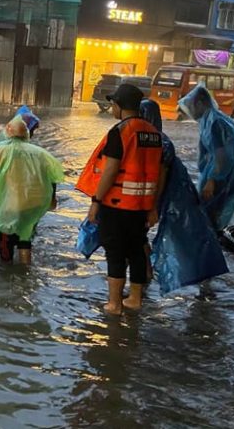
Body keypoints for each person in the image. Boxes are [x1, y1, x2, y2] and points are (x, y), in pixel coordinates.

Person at [76, 84, 162, 315]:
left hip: (116, 203)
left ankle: (114, 304)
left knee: (114, 252)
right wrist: (153, 206)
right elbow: (161, 173)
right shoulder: (154, 133)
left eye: (113, 104)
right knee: (135, 250)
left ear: (119, 106)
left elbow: (111, 169)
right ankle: (134, 299)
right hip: (142, 205)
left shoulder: (121, 131)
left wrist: (96, 200)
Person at [140, 99, 228, 295]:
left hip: (172, 197)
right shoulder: (155, 140)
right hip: (173, 195)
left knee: (187, 235)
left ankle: (148, 276)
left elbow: (160, 177)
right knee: (188, 234)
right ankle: (148, 274)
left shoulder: (158, 143)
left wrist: (153, 207)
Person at [0, 116, 64, 265]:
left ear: (9, 133)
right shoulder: (40, 153)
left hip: (13, 203)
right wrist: (52, 199)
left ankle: (7, 271)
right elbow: (54, 176)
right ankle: (25, 271)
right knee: (25, 237)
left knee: (5, 239)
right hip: (34, 204)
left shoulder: (4, 150)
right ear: (26, 134)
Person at [179, 85, 234, 232]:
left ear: (200, 103)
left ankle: (209, 249)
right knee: (209, 214)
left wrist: (212, 180)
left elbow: (221, 154)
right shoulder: (211, 120)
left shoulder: (215, 122)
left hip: (220, 176)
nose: (190, 111)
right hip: (220, 173)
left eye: (191, 106)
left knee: (209, 215)